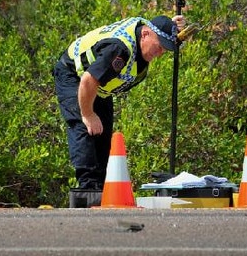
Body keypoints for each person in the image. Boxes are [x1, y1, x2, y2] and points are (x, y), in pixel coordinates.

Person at [53, 14, 186, 190]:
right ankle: (88, 189)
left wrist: (172, 26)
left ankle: (101, 188)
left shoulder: (146, 32)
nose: (160, 53)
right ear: (145, 34)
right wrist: (88, 114)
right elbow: (88, 80)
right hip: (75, 76)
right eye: (159, 46)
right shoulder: (119, 50)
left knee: (103, 135)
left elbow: (159, 27)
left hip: (100, 86)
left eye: (164, 49)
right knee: (85, 127)